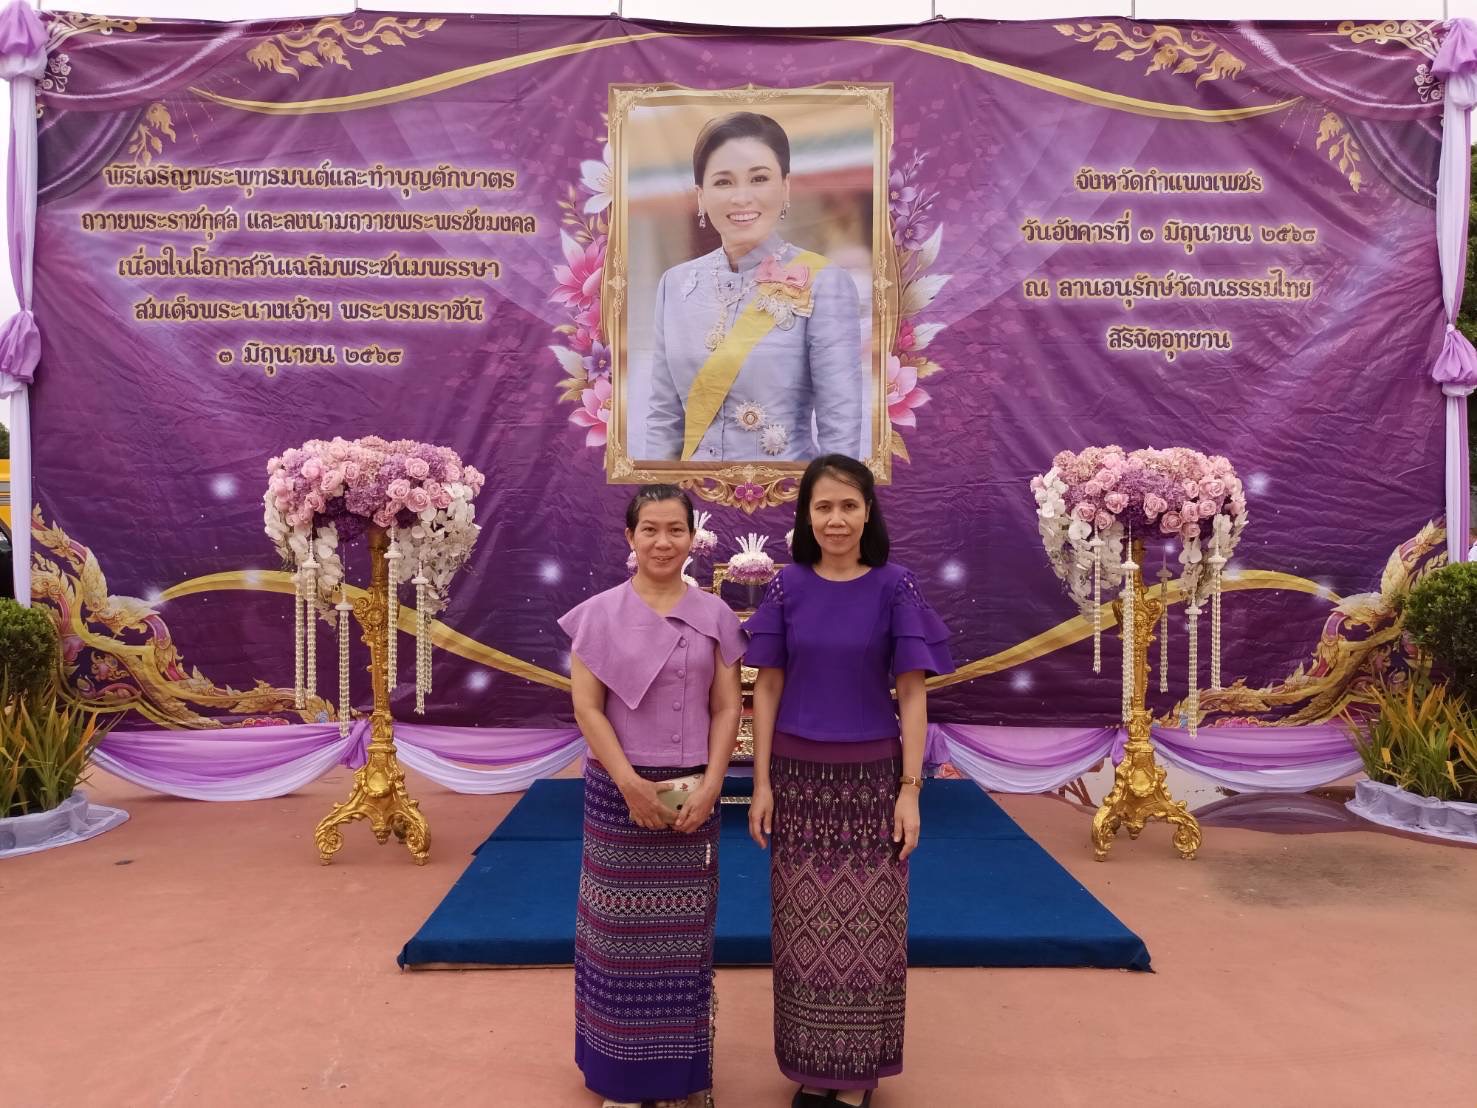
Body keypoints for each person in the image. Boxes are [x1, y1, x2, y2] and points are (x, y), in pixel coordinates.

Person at [744, 455, 955, 1108]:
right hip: (797, 781)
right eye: (823, 507)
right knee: (802, 928)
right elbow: (767, 687)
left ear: (868, 512)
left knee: (869, 927)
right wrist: (761, 784)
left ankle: (855, 1076)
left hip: (871, 782)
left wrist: (910, 790)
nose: (835, 519)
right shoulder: (786, 586)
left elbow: (912, 695)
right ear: (806, 517)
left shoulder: (895, 586)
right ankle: (812, 1066)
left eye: (848, 506)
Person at [558, 484, 747, 1108]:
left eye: (675, 530)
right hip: (619, 791)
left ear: (693, 538)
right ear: (630, 537)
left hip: (694, 794)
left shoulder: (715, 615)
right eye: (650, 530)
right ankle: (619, 1079)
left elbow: (727, 708)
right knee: (616, 939)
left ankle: (680, 1078)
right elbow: (587, 709)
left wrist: (714, 783)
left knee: (684, 942)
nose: (663, 542)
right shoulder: (597, 615)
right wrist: (629, 784)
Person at [645, 111, 864, 463]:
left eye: (759, 178)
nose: (742, 197)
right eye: (723, 182)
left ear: (785, 187)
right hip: (692, 492)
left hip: (787, 491)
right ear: (701, 196)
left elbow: (840, 425)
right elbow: (663, 419)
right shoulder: (675, 284)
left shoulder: (823, 281)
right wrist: (658, 492)